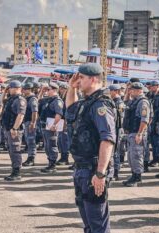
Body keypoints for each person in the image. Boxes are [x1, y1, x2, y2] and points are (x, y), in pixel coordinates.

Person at [66, 63, 116, 233]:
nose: (78, 81)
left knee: (97, 223)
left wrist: (100, 173)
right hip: (82, 168)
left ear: (93, 79)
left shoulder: (100, 105)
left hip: (93, 169)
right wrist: (71, 88)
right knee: (88, 221)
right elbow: (70, 111)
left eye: (81, 77)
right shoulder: (87, 103)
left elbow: (107, 140)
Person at [122, 82, 151, 187]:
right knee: (131, 156)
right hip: (131, 132)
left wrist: (140, 134)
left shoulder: (143, 102)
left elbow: (144, 120)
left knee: (137, 155)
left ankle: (137, 177)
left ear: (139, 91)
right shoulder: (134, 101)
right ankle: (133, 175)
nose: (130, 92)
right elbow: (125, 103)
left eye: (132, 90)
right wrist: (127, 91)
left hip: (137, 133)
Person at [2, 81, 26, 181]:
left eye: (10, 88)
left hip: (14, 129)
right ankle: (14, 170)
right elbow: (2, 101)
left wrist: (15, 128)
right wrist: (5, 91)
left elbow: (20, 115)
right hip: (9, 128)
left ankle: (17, 172)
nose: (9, 89)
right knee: (11, 150)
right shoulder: (12, 99)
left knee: (15, 151)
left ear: (16, 88)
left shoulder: (20, 100)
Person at [38, 82, 64, 173]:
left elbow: (59, 114)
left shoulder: (57, 101)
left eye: (48, 90)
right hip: (45, 125)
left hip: (51, 126)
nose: (47, 91)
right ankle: (50, 163)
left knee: (52, 145)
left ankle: (52, 165)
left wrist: (54, 125)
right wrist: (42, 91)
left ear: (54, 90)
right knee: (47, 145)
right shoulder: (49, 99)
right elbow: (39, 101)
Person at [109, 84, 125, 180]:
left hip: (117, 129)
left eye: (111, 91)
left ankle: (115, 172)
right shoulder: (113, 101)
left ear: (116, 91)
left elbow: (120, 119)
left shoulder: (119, 103)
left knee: (115, 151)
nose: (109, 92)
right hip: (113, 129)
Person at [22, 83, 38, 167]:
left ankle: (31, 158)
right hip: (26, 121)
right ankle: (30, 157)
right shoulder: (27, 98)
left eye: (25, 89)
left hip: (30, 122)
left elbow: (34, 111)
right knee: (28, 140)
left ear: (29, 89)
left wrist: (33, 122)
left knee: (31, 140)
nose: (23, 91)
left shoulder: (32, 99)